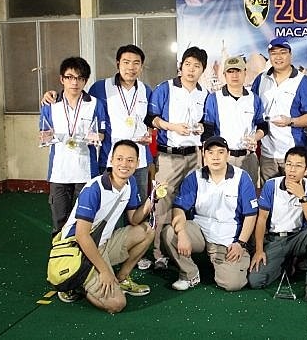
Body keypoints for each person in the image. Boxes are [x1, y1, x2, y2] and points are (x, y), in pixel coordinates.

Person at [42, 45, 153, 203]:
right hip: (109, 159)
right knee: (106, 205)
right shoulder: (100, 87)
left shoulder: (146, 90)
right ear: (118, 64)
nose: (131, 67)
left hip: (138, 159)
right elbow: (78, 99)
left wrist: (149, 133)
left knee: (137, 203)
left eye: (136, 63)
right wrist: (54, 95)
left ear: (141, 67)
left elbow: (149, 120)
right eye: (126, 62)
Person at [59, 140, 155, 312]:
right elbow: (81, 236)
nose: (124, 164)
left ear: (137, 163)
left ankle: (122, 278)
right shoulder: (94, 189)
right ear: (111, 160)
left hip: (103, 244)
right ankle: (77, 281)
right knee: (117, 304)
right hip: (78, 249)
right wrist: (104, 271)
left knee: (148, 231)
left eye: (130, 160)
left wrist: (151, 200)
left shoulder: (130, 183)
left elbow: (134, 220)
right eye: (119, 159)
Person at [161, 136, 258, 291]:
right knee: (170, 232)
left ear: (228, 154)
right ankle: (190, 274)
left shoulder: (242, 178)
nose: (215, 157)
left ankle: (221, 261)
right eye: (210, 152)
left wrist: (240, 244)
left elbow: (251, 215)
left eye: (220, 152)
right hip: (200, 232)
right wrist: (182, 233)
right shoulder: (194, 177)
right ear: (203, 155)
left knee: (233, 284)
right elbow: (179, 208)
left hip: (228, 239)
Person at [146, 46, 209, 270]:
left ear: (203, 70)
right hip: (168, 157)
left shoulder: (205, 94)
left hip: (194, 157)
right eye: (188, 64)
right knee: (162, 203)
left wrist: (202, 127)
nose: (191, 70)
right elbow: (151, 119)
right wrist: (171, 126)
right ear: (180, 66)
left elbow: (208, 124)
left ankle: (182, 248)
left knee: (189, 202)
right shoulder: (165, 88)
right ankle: (158, 254)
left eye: (197, 66)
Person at [248, 146, 307, 302]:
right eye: (289, 164)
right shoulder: (271, 185)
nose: (292, 169)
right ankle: (287, 264)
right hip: (275, 239)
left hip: (298, 238)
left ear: (306, 170)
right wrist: (259, 250)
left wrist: (302, 197)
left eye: (298, 166)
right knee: (255, 281)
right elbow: (261, 219)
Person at [39, 57, 106, 235]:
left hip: (85, 171)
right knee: (59, 221)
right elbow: (44, 132)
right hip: (59, 172)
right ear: (62, 79)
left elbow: (102, 133)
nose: (74, 82)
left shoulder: (95, 104)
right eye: (70, 77)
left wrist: (93, 137)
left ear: (85, 80)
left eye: (80, 78)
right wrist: (45, 137)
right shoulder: (49, 104)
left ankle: (83, 251)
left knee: (85, 221)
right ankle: (60, 251)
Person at [251, 38, 307, 182]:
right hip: (268, 154)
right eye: (274, 53)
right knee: (269, 192)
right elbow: (252, 110)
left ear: (290, 55)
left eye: (283, 52)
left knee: (294, 192)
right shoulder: (261, 79)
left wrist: (290, 121)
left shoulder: (302, 81)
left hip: (294, 153)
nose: (278, 57)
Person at [202, 55, 268, 185]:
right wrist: (208, 157)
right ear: (224, 75)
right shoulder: (214, 98)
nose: (234, 75)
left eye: (238, 71)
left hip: (248, 158)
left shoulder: (254, 98)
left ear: (245, 73)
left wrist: (255, 137)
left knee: (248, 194)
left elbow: (263, 126)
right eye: (230, 71)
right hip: (223, 158)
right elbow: (208, 130)